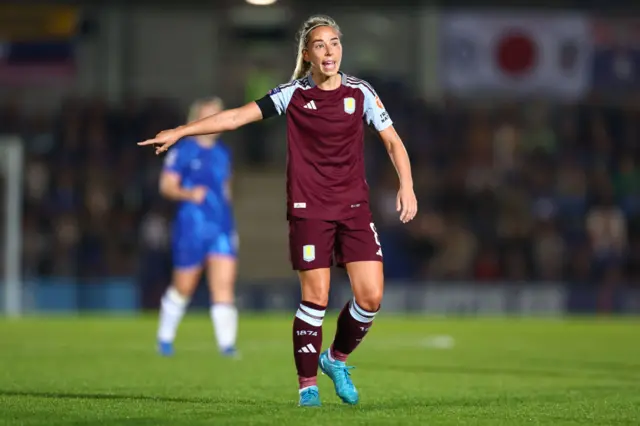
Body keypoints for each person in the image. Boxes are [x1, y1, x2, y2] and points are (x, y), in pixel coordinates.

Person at [139, 15, 417, 407]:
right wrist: (181, 132)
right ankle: (307, 388)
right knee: (316, 297)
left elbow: (392, 141)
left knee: (370, 298)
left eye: (334, 43)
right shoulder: (293, 94)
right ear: (307, 53)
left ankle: (335, 360)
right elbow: (235, 117)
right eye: (320, 45)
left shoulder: (361, 93)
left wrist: (406, 184)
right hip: (310, 210)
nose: (329, 51)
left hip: (354, 208)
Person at [155, 97, 240, 358]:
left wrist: (231, 227)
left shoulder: (223, 153)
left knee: (223, 286)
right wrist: (189, 194)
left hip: (221, 227)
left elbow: (225, 192)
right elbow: (166, 186)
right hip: (191, 226)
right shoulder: (183, 150)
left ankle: (227, 347)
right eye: (210, 116)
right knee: (184, 287)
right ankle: (165, 338)